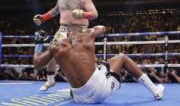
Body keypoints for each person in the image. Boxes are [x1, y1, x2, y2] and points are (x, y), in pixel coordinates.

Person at [33, 25, 165, 103]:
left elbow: (37, 64)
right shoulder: (86, 35)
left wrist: (38, 44)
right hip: (98, 93)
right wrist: (87, 24)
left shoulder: (54, 48)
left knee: (101, 67)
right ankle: (156, 91)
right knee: (122, 57)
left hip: (78, 97)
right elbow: (103, 28)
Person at [33, 0, 98, 91]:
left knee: (81, 57)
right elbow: (55, 11)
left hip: (80, 30)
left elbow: (94, 14)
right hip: (63, 29)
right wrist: (43, 17)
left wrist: (83, 14)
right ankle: (50, 79)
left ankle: (90, 82)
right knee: (52, 50)